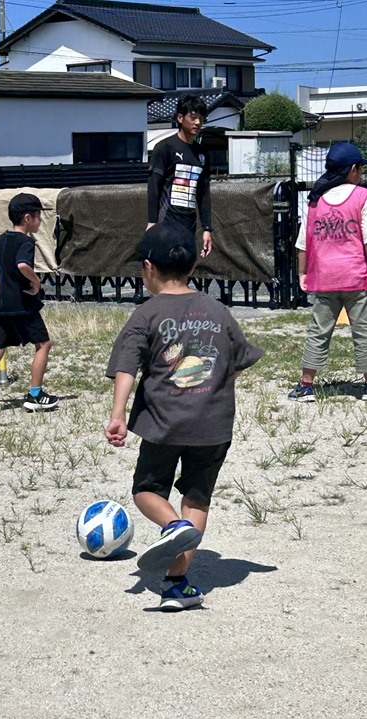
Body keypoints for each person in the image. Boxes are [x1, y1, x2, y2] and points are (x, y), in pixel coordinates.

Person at [105, 223, 263, 611]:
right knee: (197, 499)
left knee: (146, 490)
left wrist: (118, 414)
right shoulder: (218, 310)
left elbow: (127, 366)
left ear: (148, 268)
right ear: (192, 267)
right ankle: (177, 585)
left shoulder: (146, 313)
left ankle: (172, 527)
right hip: (213, 424)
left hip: (164, 422)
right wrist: (210, 386)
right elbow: (237, 362)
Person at [289, 141, 367, 403]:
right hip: (356, 277)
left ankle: (306, 385)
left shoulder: (315, 200)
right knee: (364, 331)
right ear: (353, 169)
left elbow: (303, 243)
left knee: (318, 332)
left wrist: (303, 273)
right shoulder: (362, 197)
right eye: (360, 169)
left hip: (324, 279)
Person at [0, 192, 59, 414]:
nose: (41, 220)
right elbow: (22, 265)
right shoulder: (26, 242)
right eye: (39, 216)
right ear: (28, 218)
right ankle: (35, 394)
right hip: (21, 303)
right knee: (43, 344)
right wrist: (36, 281)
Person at [147, 94, 213, 258]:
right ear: (180, 118)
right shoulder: (165, 147)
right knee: (165, 271)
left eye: (201, 118)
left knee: (185, 270)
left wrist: (207, 229)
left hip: (189, 224)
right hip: (167, 221)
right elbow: (153, 185)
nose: (198, 123)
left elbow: (203, 193)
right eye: (193, 117)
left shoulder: (202, 153)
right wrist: (152, 221)